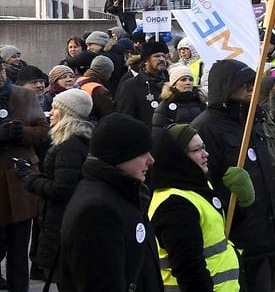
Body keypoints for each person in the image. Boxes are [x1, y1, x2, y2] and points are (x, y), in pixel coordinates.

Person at [191, 59, 275, 292]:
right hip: (235, 232)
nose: (252, 87)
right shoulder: (206, 126)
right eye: (245, 83)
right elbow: (202, 182)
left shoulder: (251, 119)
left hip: (263, 228)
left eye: (253, 82)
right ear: (225, 86)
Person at [59, 113, 161, 291]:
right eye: (142, 153)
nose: (151, 160)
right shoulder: (97, 211)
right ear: (119, 156)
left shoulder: (122, 192)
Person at [147, 124, 243, 292]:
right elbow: (189, 270)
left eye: (203, 147)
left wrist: (242, 203)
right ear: (178, 157)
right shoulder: (175, 205)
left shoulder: (197, 185)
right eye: (197, 150)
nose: (205, 154)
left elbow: (217, 232)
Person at [15, 89, 92, 288]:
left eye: (56, 108)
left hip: (61, 221)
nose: (51, 112)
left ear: (67, 113)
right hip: (64, 220)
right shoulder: (75, 140)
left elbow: (61, 189)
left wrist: (29, 177)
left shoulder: (70, 145)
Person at [0, 64, 49, 292]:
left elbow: (42, 130)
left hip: (21, 181)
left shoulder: (25, 95)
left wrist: (23, 134)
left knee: (19, 249)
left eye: (0, 70)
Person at [116, 40, 170, 126]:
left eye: (163, 56)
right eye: (156, 56)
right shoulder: (131, 86)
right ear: (145, 61)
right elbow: (125, 117)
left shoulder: (172, 82)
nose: (161, 59)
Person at [152, 65, 206, 129]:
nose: (188, 82)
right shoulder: (165, 106)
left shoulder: (200, 102)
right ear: (174, 84)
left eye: (190, 80)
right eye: (183, 80)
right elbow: (158, 133)